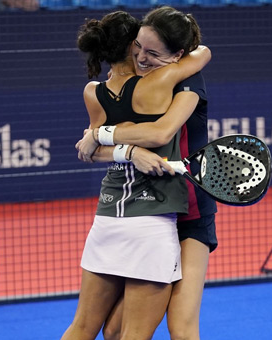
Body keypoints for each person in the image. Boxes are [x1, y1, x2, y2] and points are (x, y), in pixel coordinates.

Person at [62, 10, 211, 340]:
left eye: (152, 52)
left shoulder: (93, 91)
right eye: (139, 48)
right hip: (154, 217)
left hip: (118, 213)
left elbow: (96, 145)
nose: (143, 57)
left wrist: (102, 134)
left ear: (176, 54)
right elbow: (158, 133)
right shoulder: (158, 83)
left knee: (95, 328)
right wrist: (129, 149)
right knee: (130, 333)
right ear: (130, 45)